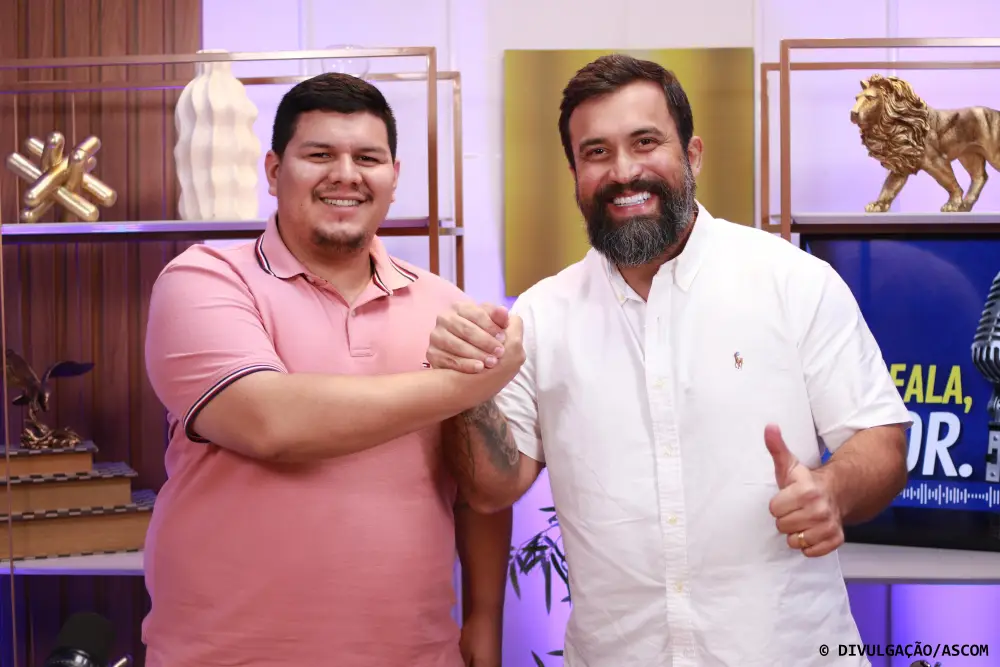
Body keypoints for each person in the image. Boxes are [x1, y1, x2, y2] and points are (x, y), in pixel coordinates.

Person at [427, 54, 911, 666]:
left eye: (645, 142)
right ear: (574, 172)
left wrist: (832, 490)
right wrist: (466, 385)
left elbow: (881, 440)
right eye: (597, 152)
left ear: (693, 154)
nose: (624, 171)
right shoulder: (541, 315)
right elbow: (492, 487)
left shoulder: (793, 281)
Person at [142, 72, 517, 667]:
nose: (346, 174)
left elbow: (486, 492)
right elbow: (269, 423)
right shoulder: (205, 279)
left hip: (416, 654)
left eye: (367, 158)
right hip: (225, 654)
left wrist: (485, 617)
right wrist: (462, 383)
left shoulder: (445, 305)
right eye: (319, 155)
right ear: (273, 171)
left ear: (393, 176)